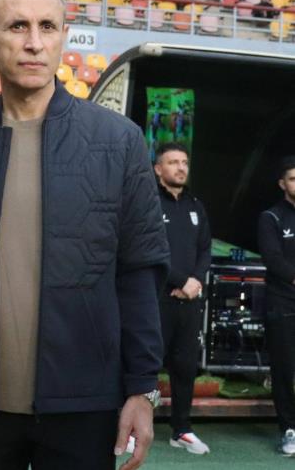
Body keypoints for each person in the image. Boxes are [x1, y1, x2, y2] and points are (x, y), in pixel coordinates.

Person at [0, 0, 170, 470]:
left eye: (47, 26)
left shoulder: (119, 141)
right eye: (17, 26)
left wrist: (142, 388)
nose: (34, 43)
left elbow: (139, 272)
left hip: (85, 404)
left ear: (64, 35)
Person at [153, 142, 212, 455]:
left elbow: (205, 249)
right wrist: (179, 281)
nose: (180, 168)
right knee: (146, 364)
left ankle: (182, 429)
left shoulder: (195, 205)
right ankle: (134, 427)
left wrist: (195, 282)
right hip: (156, 299)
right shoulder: (149, 202)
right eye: (173, 162)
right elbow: (147, 249)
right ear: (158, 168)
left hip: (189, 301)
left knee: (186, 366)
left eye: (184, 162)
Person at [258, 156, 295, 456]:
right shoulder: (271, 217)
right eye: (293, 179)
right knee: (284, 369)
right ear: (282, 184)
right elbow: (273, 259)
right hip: (283, 302)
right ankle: (289, 429)